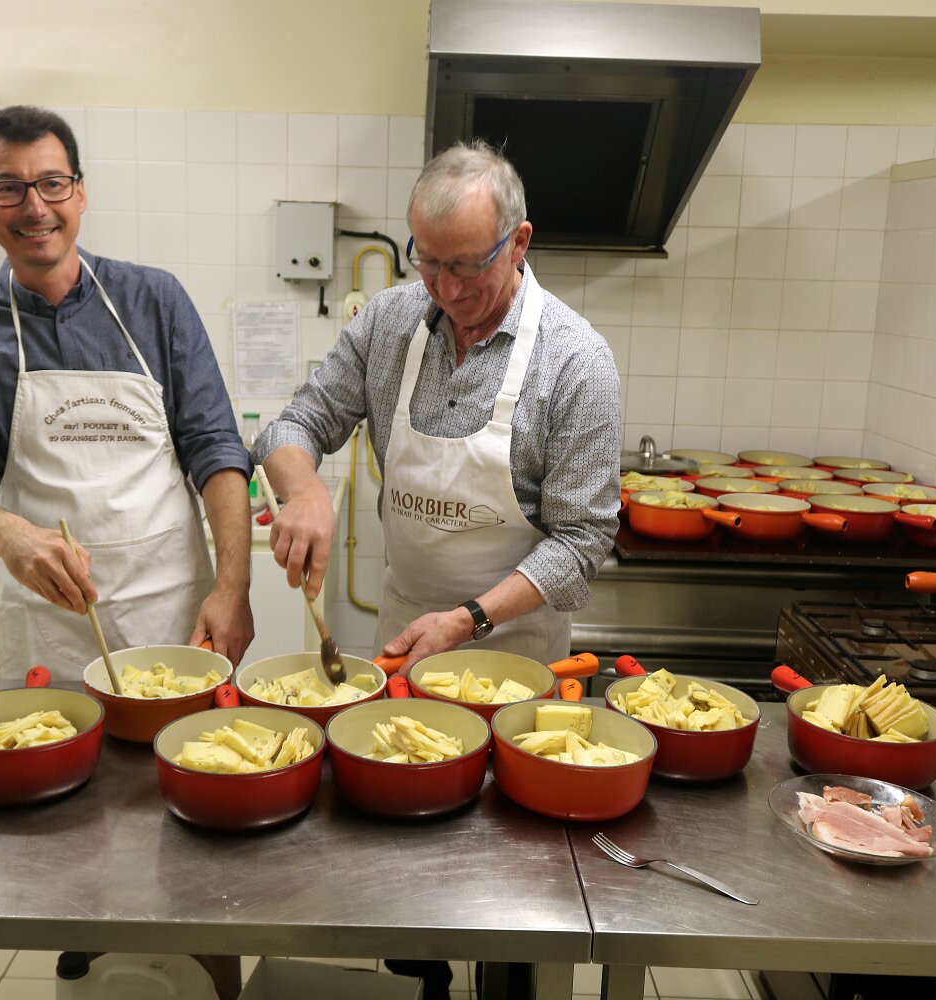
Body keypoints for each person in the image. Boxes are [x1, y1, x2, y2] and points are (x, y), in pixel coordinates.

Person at [252, 140, 621, 1000]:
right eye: (428, 263)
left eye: (468, 266)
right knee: (406, 863)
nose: (447, 290)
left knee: (511, 875)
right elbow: (295, 423)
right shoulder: (388, 324)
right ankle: (421, 977)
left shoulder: (576, 362)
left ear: (519, 242)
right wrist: (303, 487)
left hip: (515, 659)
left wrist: (470, 620)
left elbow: (581, 543)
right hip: (402, 644)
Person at [0, 105, 255, 681]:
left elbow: (215, 448)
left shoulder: (155, 301)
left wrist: (233, 587)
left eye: (52, 183)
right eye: (8, 188)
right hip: (46, 627)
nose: (35, 207)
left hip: (172, 614)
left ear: (80, 193)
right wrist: (8, 533)